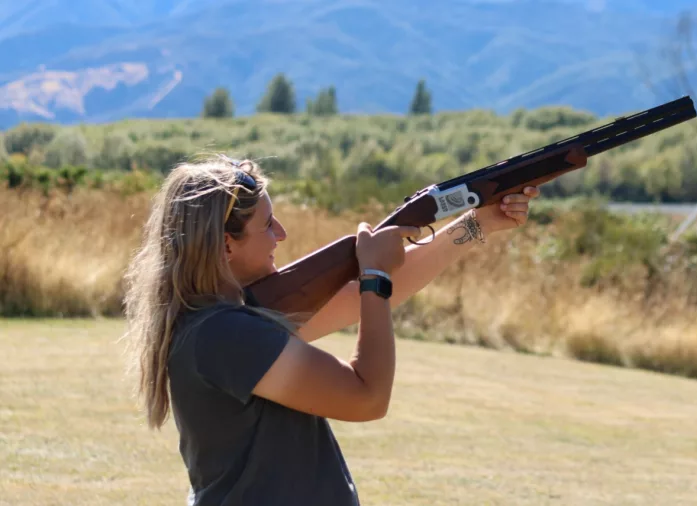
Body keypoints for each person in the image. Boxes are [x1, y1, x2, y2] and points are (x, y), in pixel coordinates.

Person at [122, 154, 540, 505]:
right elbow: (367, 397)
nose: (281, 234)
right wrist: (375, 272)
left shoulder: (227, 319)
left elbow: (368, 296)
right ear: (225, 245)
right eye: (267, 224)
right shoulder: (227, 334)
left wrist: (477, 224)